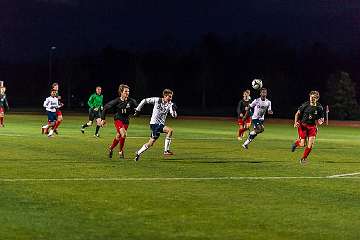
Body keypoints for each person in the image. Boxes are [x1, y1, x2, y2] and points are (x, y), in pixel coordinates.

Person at [134, 89, 177, 161]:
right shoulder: (157, 100)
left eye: (171, 96)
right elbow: (144, 100)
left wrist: (174, 110)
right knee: (170, 130)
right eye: (169, 96)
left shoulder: (170, 104)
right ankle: (166, 150)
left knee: (150, 143)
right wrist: (138, 109)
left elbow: (174, 115)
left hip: (160, 125)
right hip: (154, 124)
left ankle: (138, 153)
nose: (171, 98)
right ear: (165, 96)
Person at [99, 84, 137, 159]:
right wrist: (103, 119)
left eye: (128, 91)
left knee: (119, 136)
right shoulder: (117, 101)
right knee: (124, 134)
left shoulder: (131, 101)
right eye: (125, 91)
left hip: (126, 121)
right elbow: (106, 107)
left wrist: (137, 112)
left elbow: (137, 108)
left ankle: (111, 148)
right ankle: (121, 151)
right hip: (118, 119)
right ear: (121, 92)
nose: (127, 93)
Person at [291, 90, 324, 164]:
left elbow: (321, 118)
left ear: (317, 98)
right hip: (303, 125)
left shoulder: (319, 107)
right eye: (311, 97)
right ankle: (296, 143)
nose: (312, 99)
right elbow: (297, 114)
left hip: (312, 127)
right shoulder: (305, 105)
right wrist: (295, 122)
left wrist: (321, 121)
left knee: (311, 144)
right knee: (303, 144)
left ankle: (303, 159)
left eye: (314, 97)